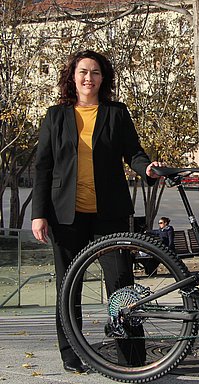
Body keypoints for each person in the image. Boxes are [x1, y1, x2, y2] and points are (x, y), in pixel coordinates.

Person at [31, 50, 161, 374]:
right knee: (68, 288)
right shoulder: (55, 116)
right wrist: (38, 213)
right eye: (83, 72)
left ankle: (132, 361)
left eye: (96, 73)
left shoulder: (116, 113)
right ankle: (72, 357)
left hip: (110, 215)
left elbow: (134, 152)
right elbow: (43, 167)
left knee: (121, 285)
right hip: (65, 216)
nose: (89, 78)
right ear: (73, 77)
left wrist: (147, 168)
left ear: (104, 78)